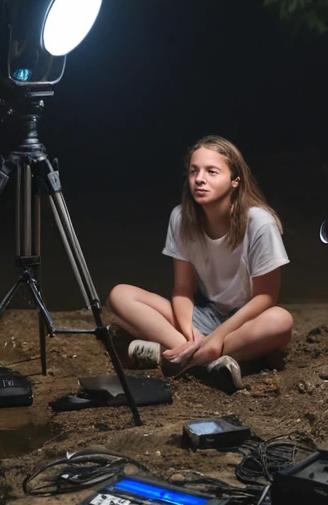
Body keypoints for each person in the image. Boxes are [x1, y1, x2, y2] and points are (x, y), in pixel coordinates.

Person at [106, 135, 292, 390]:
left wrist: (218, 336)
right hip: (203, 314)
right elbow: (182, 289)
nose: (200, 179)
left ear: (235, 180)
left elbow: (266, 298)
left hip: (244, 320)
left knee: (280, 321)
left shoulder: (259, 223)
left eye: (212, 172)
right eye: (194, 171)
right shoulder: (181, 217)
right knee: (121, 295)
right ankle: (199, 359)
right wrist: (192, 335)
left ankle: (176, 356)